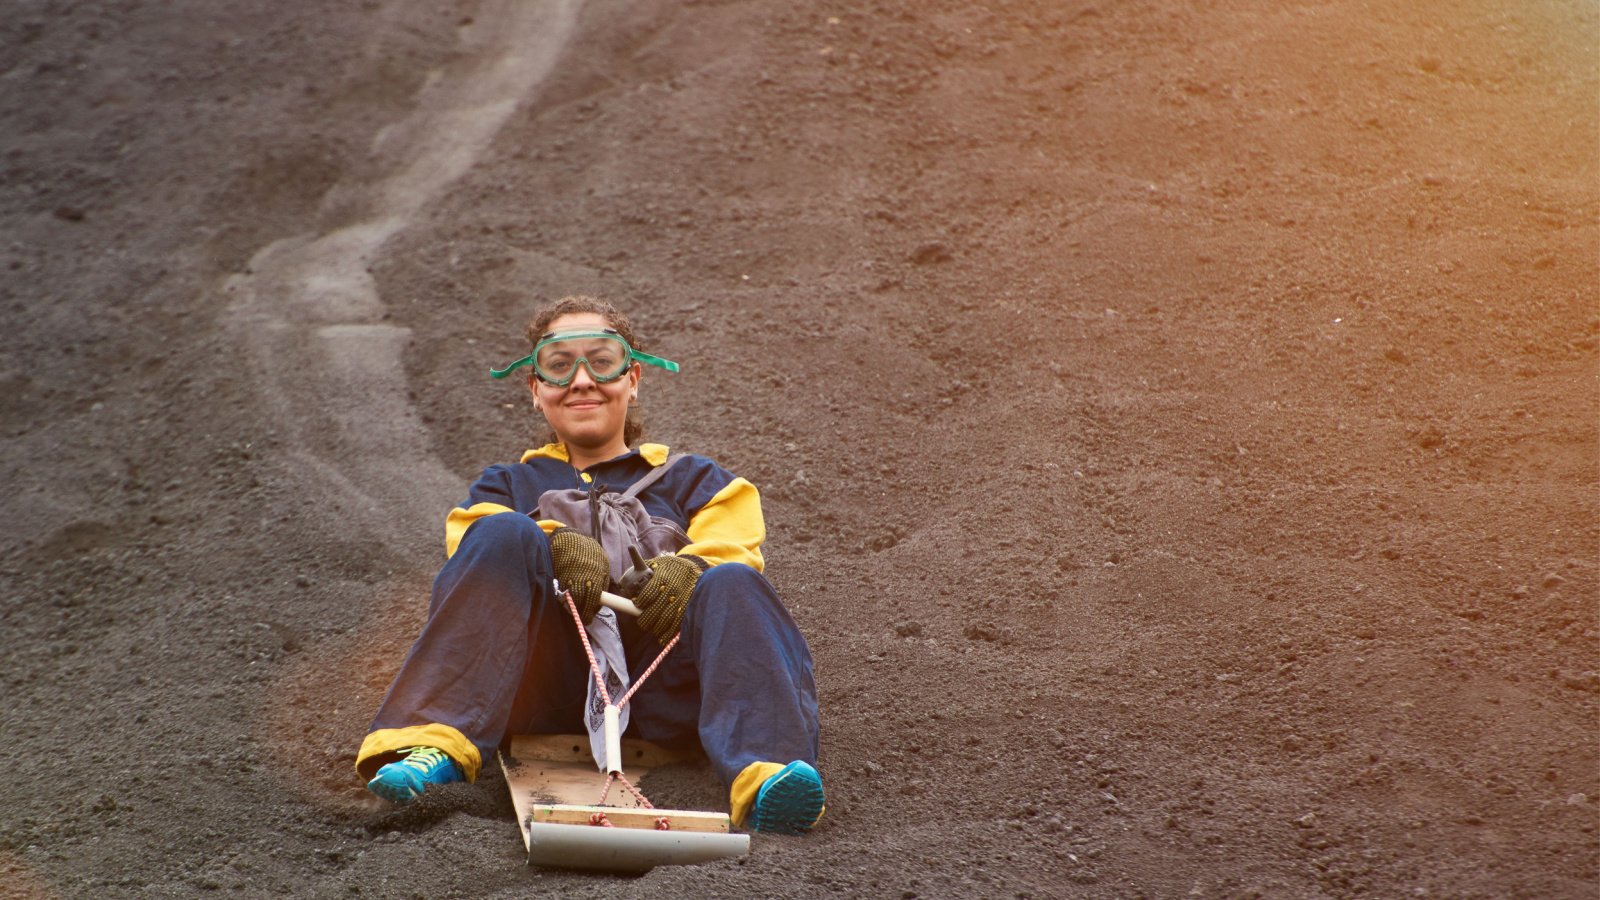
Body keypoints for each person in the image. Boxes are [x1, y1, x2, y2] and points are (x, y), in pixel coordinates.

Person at [353, 295, 824, 835]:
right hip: (545, 691)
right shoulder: (505, 486)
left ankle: (766, 773)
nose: (581, 381)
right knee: (502, 531)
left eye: (601, 362)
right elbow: (470, 542)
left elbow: (735, 542)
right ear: (536, 391)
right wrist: (552, 542)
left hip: (665, 697)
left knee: (733, 581)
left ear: (633, 378)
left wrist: (688, 568)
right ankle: (429, 746)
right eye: (559, 366)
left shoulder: (698, 481)